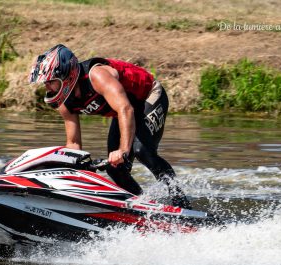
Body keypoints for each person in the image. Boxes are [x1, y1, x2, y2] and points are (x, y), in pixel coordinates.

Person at [27, 44, 189, 208]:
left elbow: (125, 109)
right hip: (125, 110)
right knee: (114, 168)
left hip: (148, 96)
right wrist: (73, 169)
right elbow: (74, 143)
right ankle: (144, 207)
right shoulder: (63, 102)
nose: (46, 87)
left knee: (141, 150)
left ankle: (181, 203)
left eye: (50, 81)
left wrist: (124, 150)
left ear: (67, 77)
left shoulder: (97, 76)